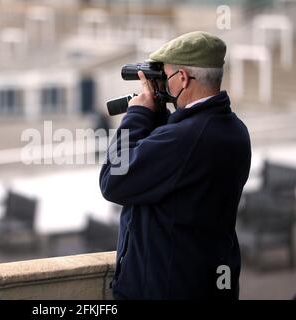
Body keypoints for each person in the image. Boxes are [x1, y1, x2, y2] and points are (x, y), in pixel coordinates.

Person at [99, 31, 252, 299]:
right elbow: (170, 171)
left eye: (166, 76)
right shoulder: (234, 129)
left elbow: (114, 179)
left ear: (182, 78)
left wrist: (138, 114)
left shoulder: (186, 138)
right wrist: (159, 116)